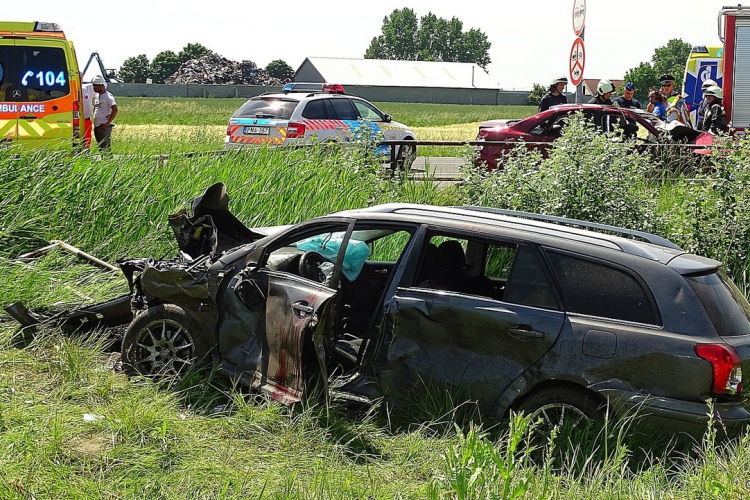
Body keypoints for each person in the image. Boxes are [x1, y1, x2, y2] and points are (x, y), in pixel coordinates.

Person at [92, 75, 118, 152]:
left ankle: (109, 162)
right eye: (94, 86)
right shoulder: (97, 96)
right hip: (98, 126)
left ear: (102, 86)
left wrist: (107, 124)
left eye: (96, 86)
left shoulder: (108, 96)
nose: (94, 88)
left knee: (105, 148)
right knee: (101, 148)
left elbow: (115, 109)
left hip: (104, 126)